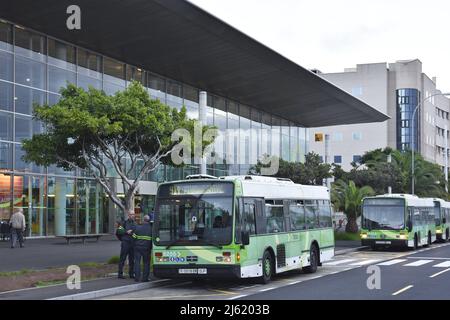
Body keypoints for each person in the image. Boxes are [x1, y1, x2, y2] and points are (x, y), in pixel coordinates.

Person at [132, 215, 153, 282]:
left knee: (137, 262)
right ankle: (145, 278)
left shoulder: (138, 227)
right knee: (146, 263)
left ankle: (137, 278)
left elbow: (133, 237)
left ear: (143, 220)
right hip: (147, 248)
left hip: (137, 247)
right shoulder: (151, 228)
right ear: (149, 220)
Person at [117, 210, 136, 279]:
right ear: (128, 215)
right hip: (125, 243)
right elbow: (118, 231)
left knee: (132, 259)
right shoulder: (124, 223)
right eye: (131, 214)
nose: (132, 215)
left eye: (133, 214)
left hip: (132, 244)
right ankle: (120, 273)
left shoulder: (135, 223)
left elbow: (137, 232)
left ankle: (131, 274)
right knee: (122, 258)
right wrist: (126, 232)